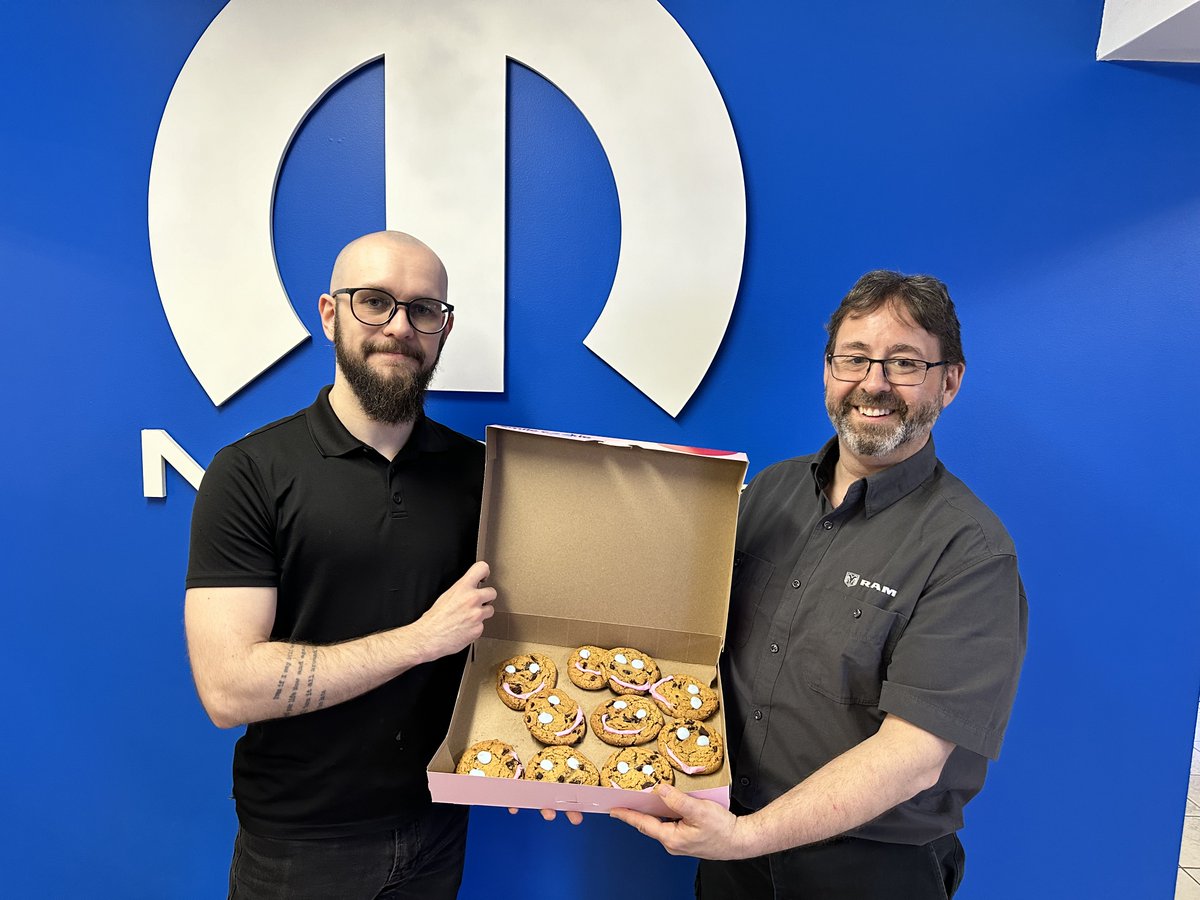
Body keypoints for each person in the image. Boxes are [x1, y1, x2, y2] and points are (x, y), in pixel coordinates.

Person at [612, 270, 1027, 899]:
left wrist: (747, 836)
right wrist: (585, 769)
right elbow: (686, 638)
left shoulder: (969, 552)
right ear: (828, 371)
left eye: (904, 362)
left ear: (950, 381)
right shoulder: (768, 492)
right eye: (854, 358)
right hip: (729, 848)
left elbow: (912, 755)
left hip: (866, 871)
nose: (874, 383)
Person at [184, 231, 496, 899]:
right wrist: (421, 640)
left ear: (443, 329)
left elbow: (522, 641)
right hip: (301, 849)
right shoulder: (251, 473)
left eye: (423, 310)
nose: (399, 327)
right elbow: (227, 688)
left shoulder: (483, 476)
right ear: (329, 313)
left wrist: (568, 768)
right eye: (375, 303)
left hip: (438, 828)